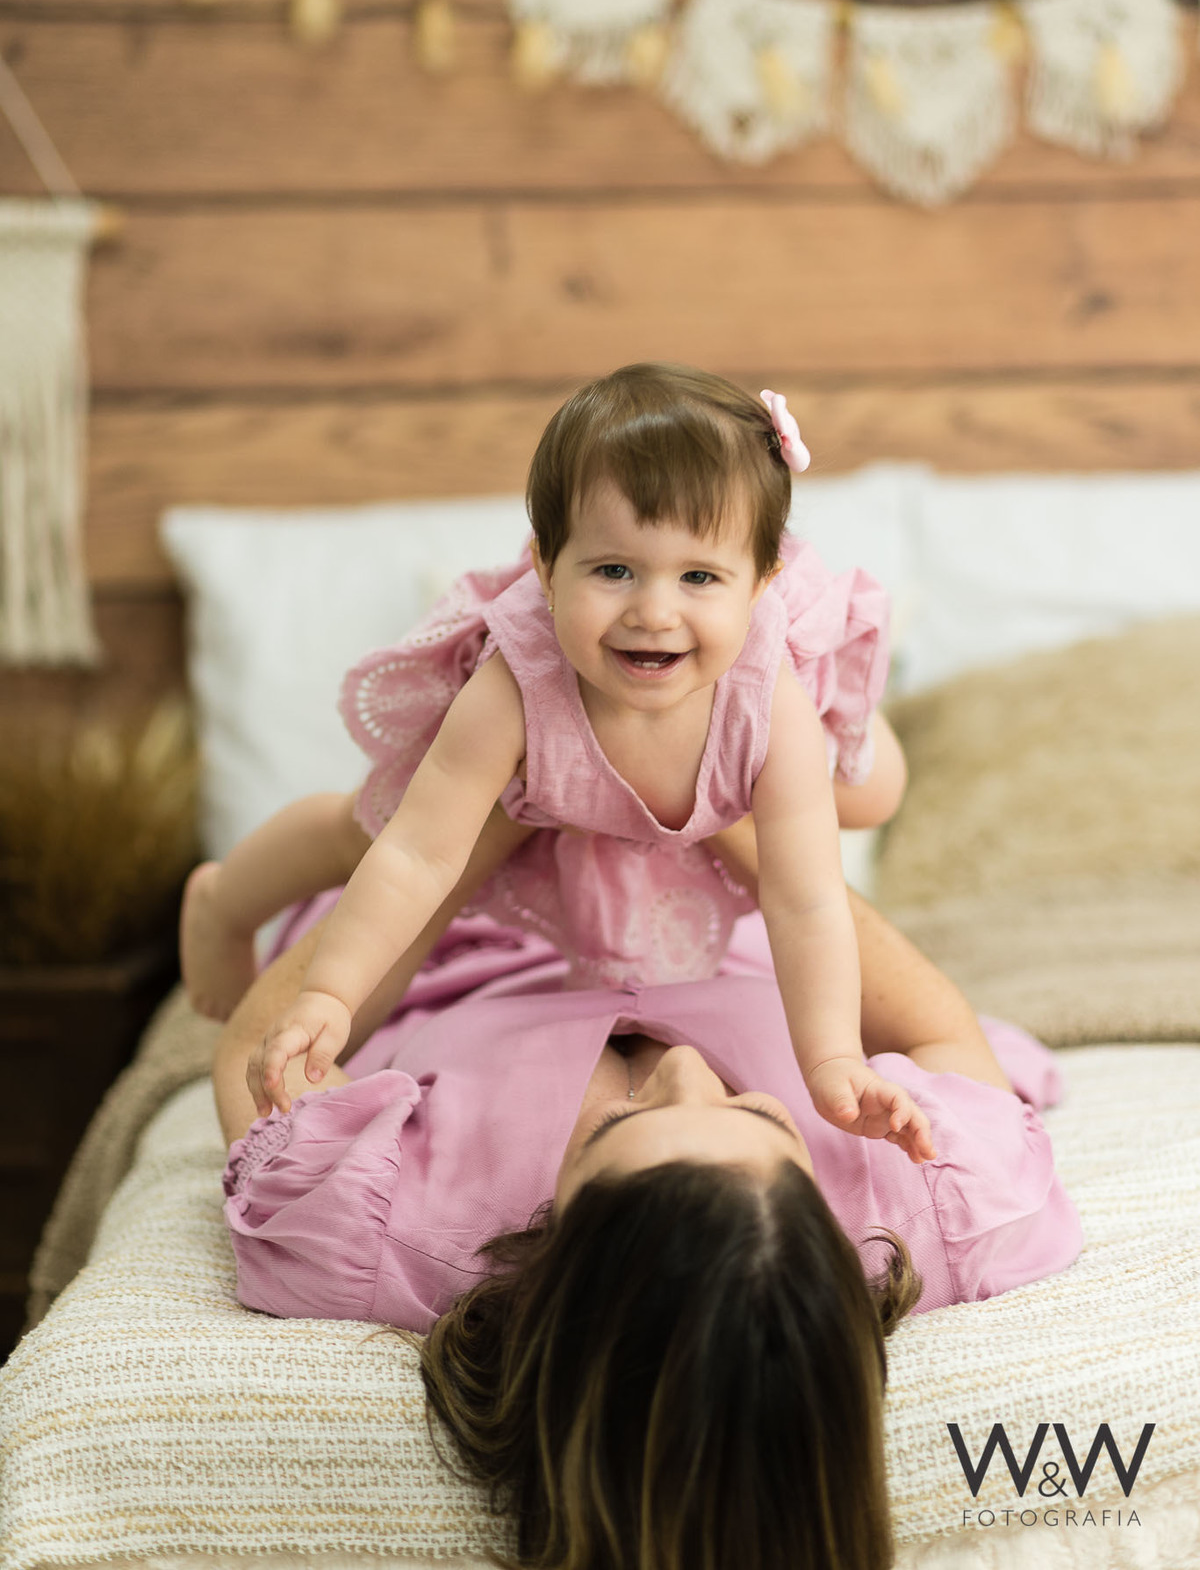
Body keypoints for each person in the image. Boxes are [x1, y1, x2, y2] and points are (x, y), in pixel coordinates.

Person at [213, 841, 1082, 1570]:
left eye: (612, 1129)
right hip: (747, 918)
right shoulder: (926, 1196)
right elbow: (939, 1034)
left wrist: (476, 830)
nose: (687, 1072)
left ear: (547, 1256)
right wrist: (744, 826)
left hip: (443, 935)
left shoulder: (382, 1228)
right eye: (754, 1110)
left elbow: (263, 1054)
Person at [186, 362, 930, 1156]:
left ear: (759, 586)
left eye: (699, 577)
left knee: (872, 794)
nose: (653, 612)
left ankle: (852, 712)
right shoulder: (515, 682)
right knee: (366, 829)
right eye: (613, 571)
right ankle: (223, 899)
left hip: (732, 744)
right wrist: (331, 994)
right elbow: (415, 856)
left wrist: (831, 1059)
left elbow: (805, 900)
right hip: (530, 779)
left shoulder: (771, 702)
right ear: (544, 569)